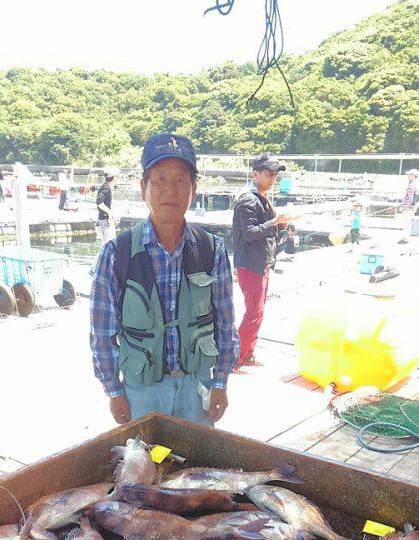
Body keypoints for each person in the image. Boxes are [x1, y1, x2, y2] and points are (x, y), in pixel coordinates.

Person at [90, 133, 239, 426]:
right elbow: (102, 333)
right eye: (159, 179)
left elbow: (225, 323)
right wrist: (114, 390)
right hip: (141, 392)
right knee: (145, 468)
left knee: (196, 467)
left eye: (180, 180)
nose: (170, 190)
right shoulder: (115, 254)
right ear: (143, 187)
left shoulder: (213, 249)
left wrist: (220, 382)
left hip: (197, 389)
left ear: (193, 189)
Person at [232, 153, 299, 371]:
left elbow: (263, 229)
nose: (273, 179)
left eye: (275, 175)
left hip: (261, 263)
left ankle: (248, 354)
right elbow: (250, 233)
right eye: (269, 174)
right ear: (255, 173)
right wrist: (276, 221)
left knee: (257, 312)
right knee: (253, 313)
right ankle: (236, 358)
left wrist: (281, 224)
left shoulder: (260, 196)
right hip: (250, 265)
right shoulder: (248, 199)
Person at [96, 170, 116, 245]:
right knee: (108, 245)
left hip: (103, 220)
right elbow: (99, 202)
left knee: (106, 245)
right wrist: (109, 212)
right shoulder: (106, 188)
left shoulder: (105, 186)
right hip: (105, 221)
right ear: (114, 178)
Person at [398, 168, 418, 244]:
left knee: (406, 223)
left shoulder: (412, 185)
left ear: (414, 176)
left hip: (408, 207)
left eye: (410, 175)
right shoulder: (414, 184)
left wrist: (405, 207)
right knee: (407, 223)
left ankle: (405, 238)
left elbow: (410, 198)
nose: (408, 176)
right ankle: (406, 238)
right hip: (411, 207)